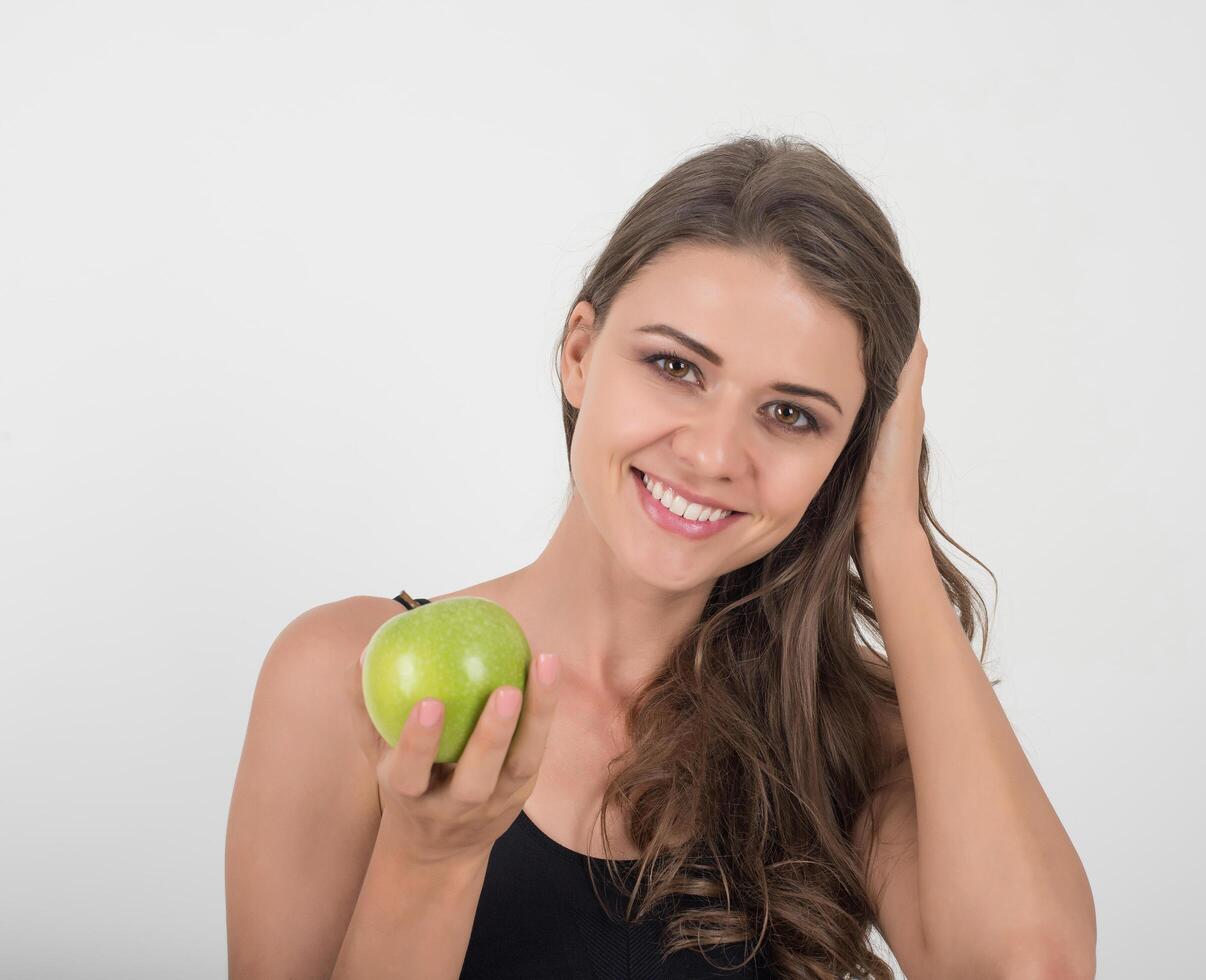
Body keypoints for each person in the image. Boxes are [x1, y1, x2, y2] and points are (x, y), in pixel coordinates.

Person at [226, 135, 1088, 980]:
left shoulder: (842, 729)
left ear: (849, 454)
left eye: (792, 415)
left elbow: (1030, 968)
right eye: (676, 366)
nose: (714, 454)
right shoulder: (344, 673)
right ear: (578, 353)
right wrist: (431, 859)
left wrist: (892, 535)